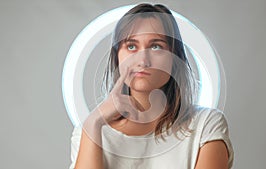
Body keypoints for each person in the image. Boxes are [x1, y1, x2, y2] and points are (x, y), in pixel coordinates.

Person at [70, 3, 233, 169]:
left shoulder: (206, 124)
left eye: (156, 46)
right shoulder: (90, 129)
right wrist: (94, 122)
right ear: (117, 57)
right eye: (131, 46)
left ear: (174, 58)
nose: (142, 61)